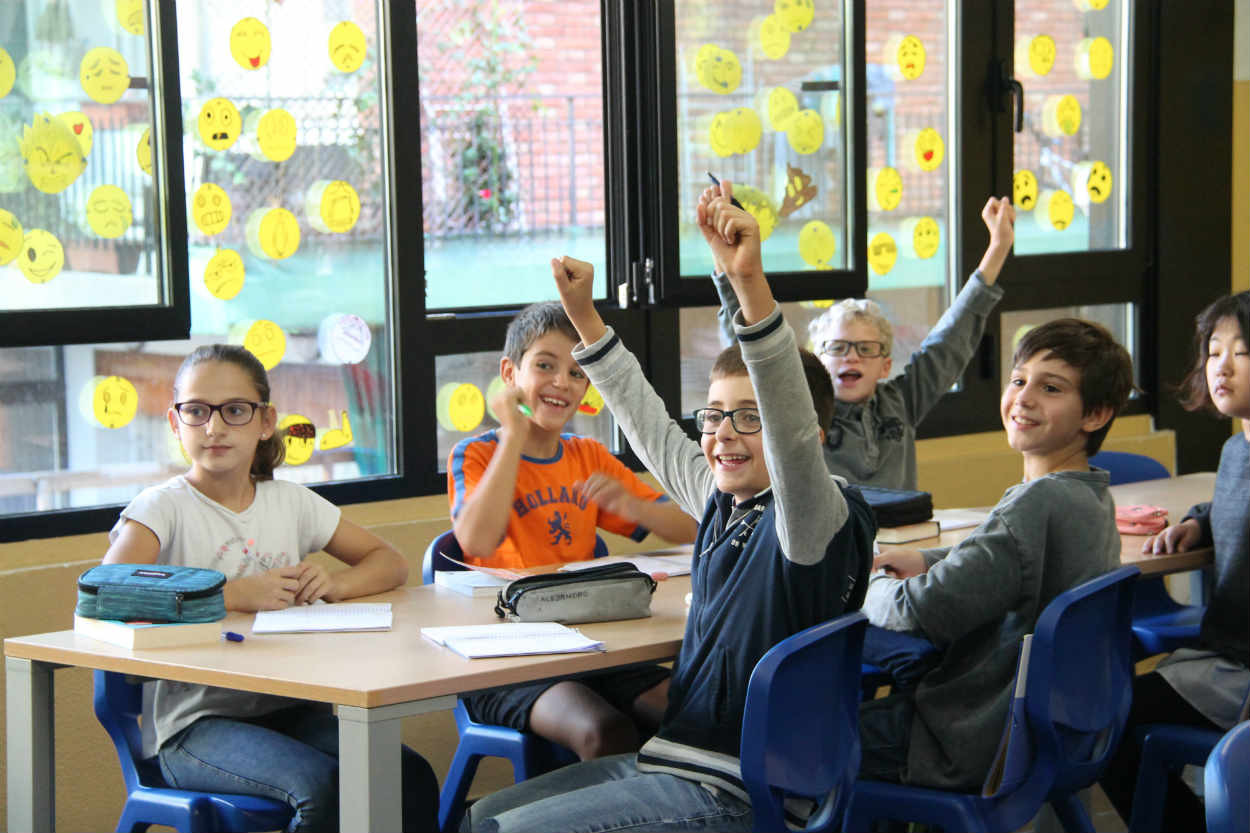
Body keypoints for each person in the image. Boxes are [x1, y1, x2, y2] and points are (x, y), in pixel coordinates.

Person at [464, 181, 875, 832]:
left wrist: (748, 283)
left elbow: (789, 421)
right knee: (485, 814)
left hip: (739, 790)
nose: (723, 434)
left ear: (803, 436)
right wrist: (586, 318)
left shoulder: (812, 519)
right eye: (714, 416)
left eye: (749, 417)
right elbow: (649, 421)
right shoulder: (723, 499)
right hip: (676, 763)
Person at [102, 344, 437, 833]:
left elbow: (389, 562)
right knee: (320, 789)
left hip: (291, 707)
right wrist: (233, 595)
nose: (214, 428)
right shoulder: (162, 508)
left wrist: (336, 584)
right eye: (196, 412)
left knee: (409, 775)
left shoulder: (291, 502)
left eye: (234, 411)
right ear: (176, 423)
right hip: (195, 725)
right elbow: (108, 592)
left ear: (264, 422)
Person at [864, 317, 1134, 790]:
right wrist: (928, 561)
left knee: (790, 738)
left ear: (1095, 415)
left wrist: (865, 583)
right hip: (1047, 729)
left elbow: (920, 610)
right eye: (1018, 380)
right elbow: (1014, 564)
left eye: (1050, 388)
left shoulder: (1037, 502)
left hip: (971, 740)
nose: (1024, 397)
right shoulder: (1089, 493)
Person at [448, 301, 697, 760]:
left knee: (688, 712)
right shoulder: (477, 454)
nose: (563, 382)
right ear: (509, 373)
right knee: (603, 730)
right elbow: (476, 541)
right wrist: (513, 436)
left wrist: (628, 506)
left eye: (578, 372)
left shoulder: (587, 455)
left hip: (589, 645)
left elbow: (693, 526)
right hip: (506, 659)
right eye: (545, 365)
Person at [714, 196, 1015, 490]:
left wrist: (998, 248)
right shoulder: (801, 411)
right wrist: (726, 267)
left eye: (866, 349)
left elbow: (951, 340)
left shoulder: (902, 401)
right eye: (838, 347)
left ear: (885, 366)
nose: (852, 358)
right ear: (818, 360)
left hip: (900, 535)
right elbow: (751, 348)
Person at [1100, 290, 1250, 831]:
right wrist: (1198, 521)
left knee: (1103, 729)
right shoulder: (1238, 449)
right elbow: (1233, 498)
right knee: (1108, 721)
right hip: (1222, 653)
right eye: (1214, 351)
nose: (1222, 367)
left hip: (1240, 675)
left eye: (1243, 351)